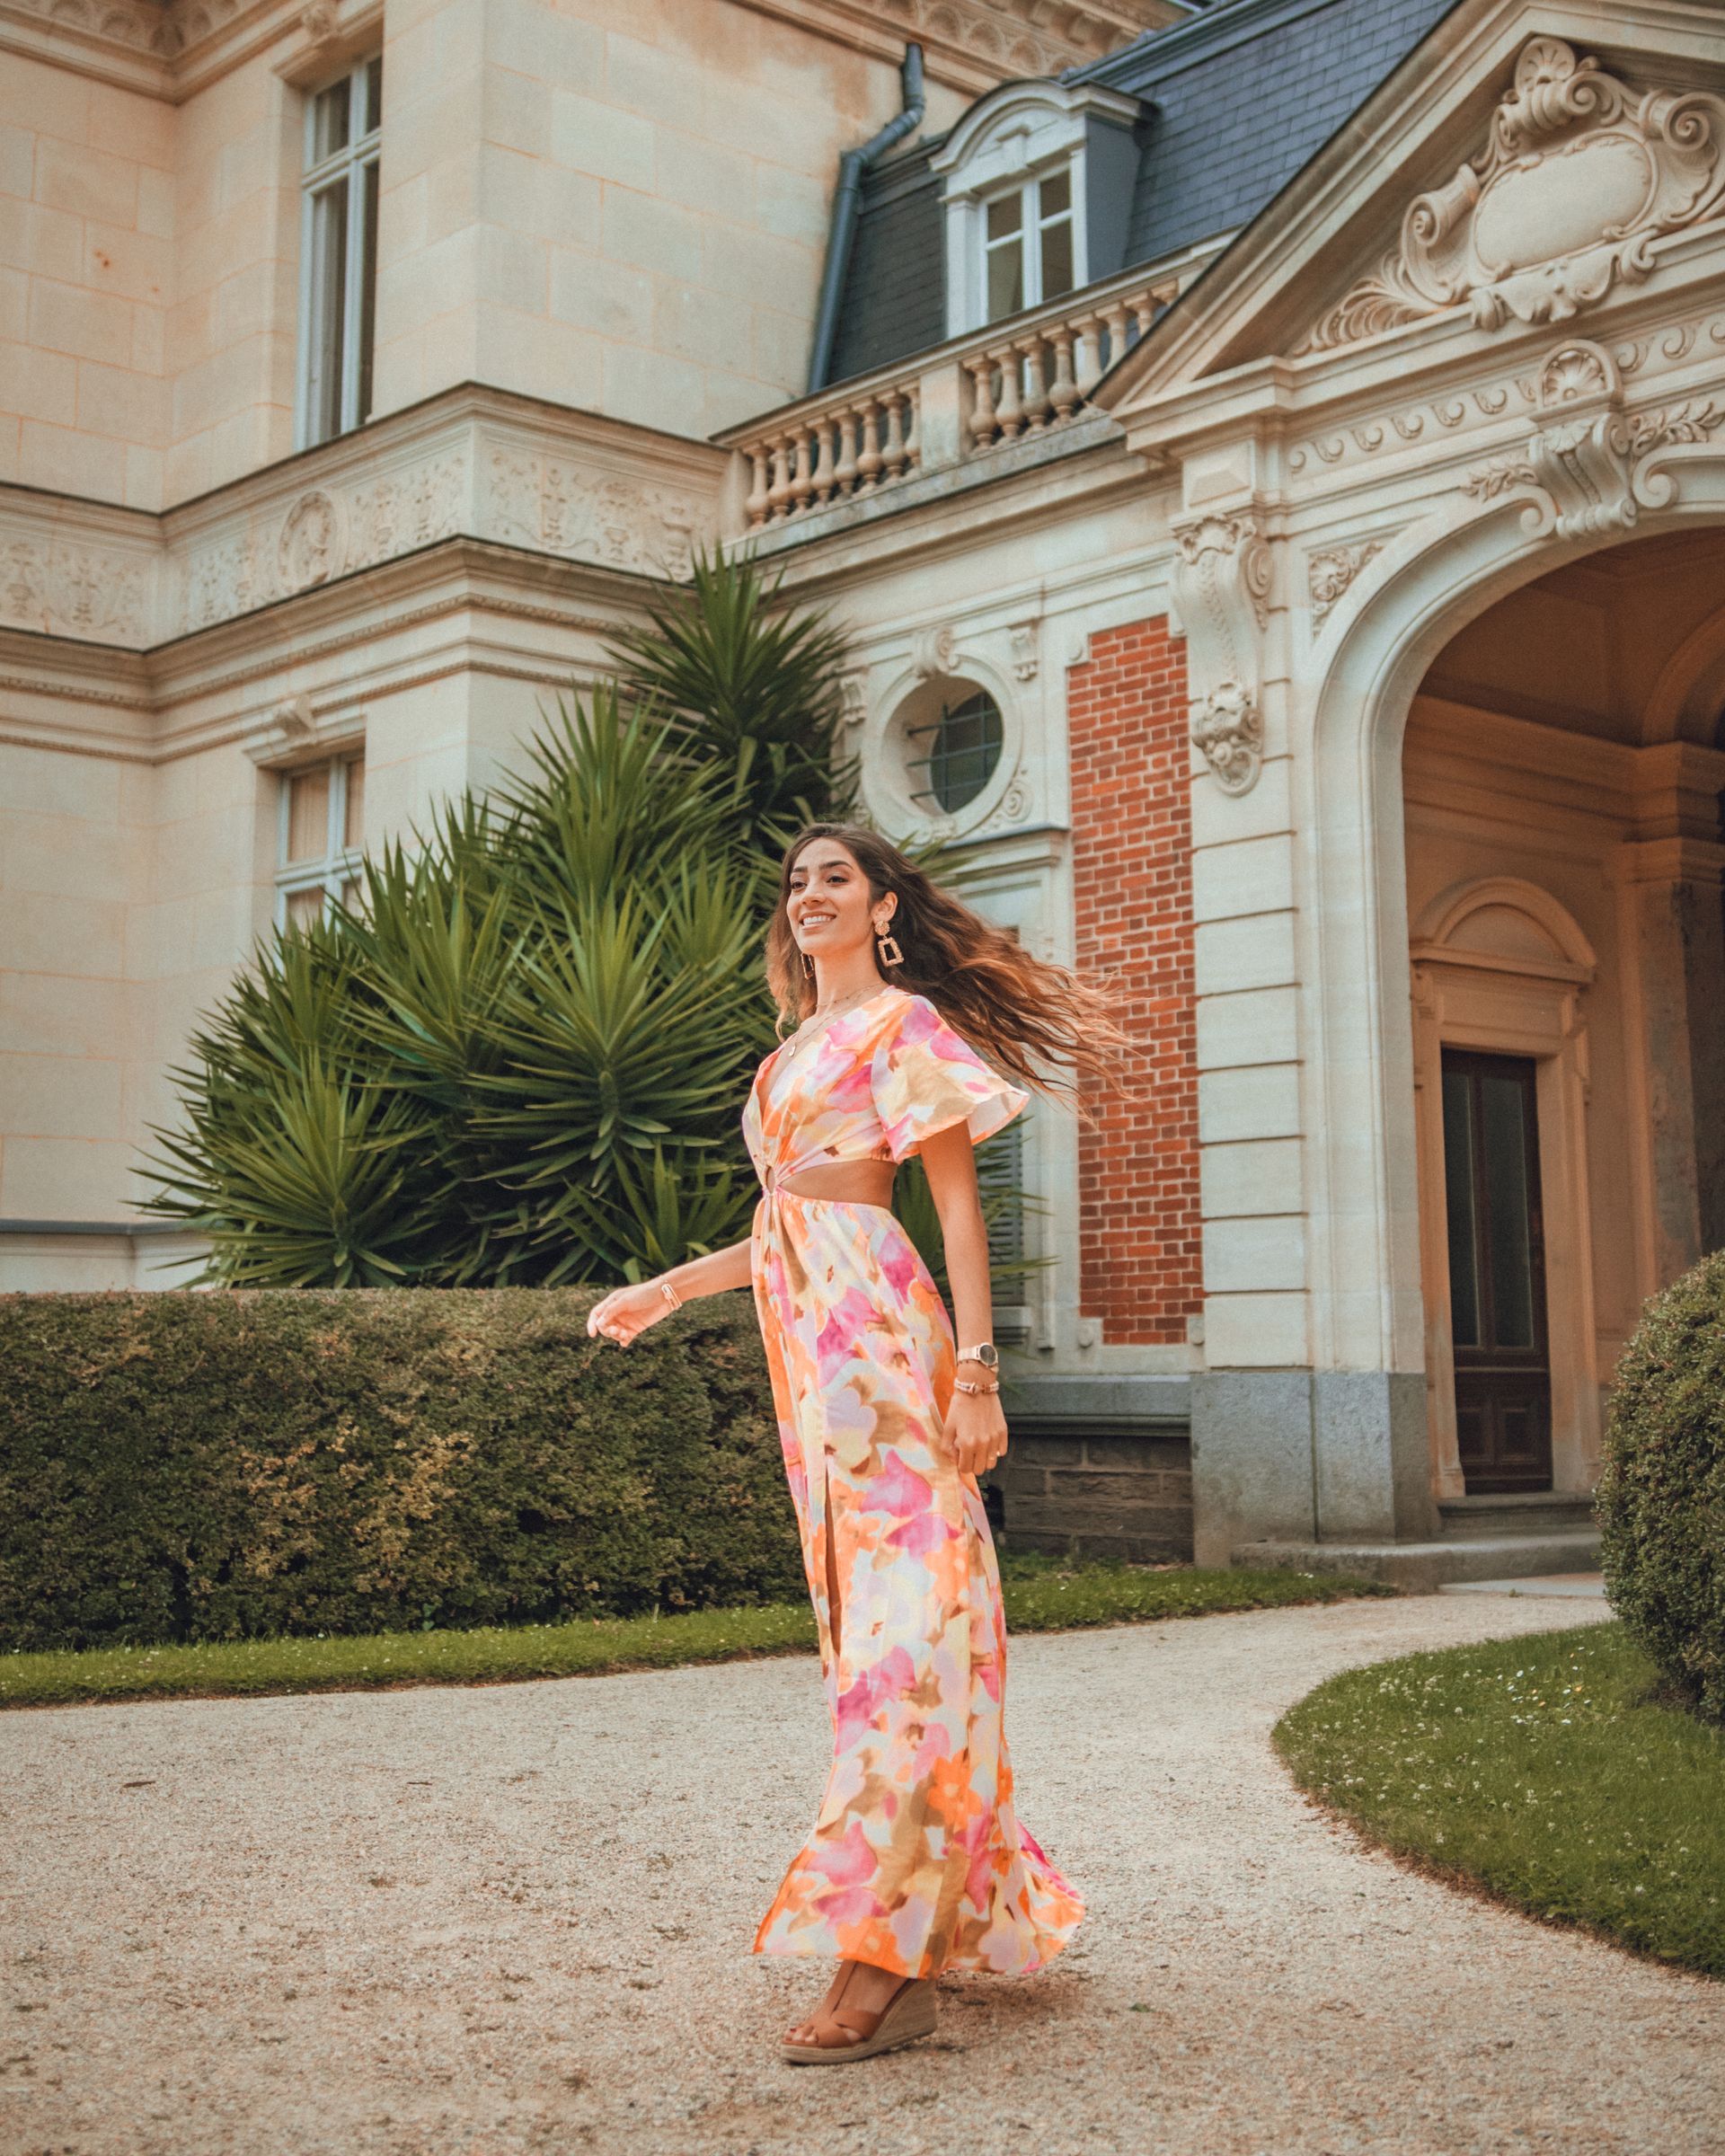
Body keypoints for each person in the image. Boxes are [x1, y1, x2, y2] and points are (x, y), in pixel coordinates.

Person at [587, 823, 1118, 2064]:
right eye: (795, 881)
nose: (808, 894)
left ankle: (879, 1958)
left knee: (911, 1644)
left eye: (836, 876)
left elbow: (953, 1217)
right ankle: (926, 1924)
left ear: (883, 905)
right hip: (809, 1374)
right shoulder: (786, 1062)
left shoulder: (906, 1031)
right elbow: (785, 1223)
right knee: (869, 1650)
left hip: (888, 1356)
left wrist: (978, 1376)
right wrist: (667, 1288)